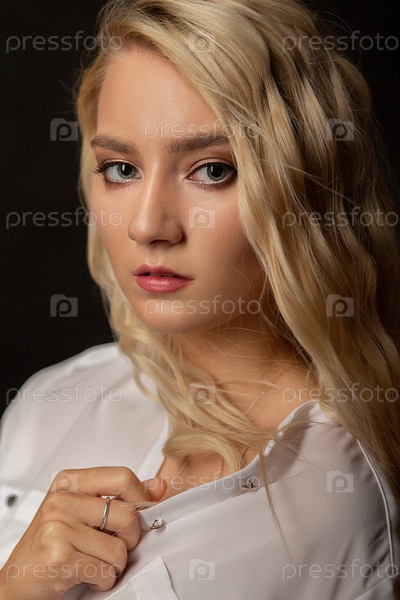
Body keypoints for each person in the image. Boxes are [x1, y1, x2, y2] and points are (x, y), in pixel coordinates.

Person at [1, 0, 399, 597]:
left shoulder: (334, 494)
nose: (148, 226)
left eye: (212, 171)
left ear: (301, 187)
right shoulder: (51, 402)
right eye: (121, 169)